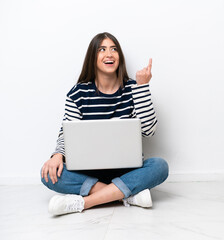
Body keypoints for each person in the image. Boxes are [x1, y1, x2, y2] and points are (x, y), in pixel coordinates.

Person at [40, 32, 169, 216]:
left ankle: (85, 202)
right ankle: (126, 195)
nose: (109, 54)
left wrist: (142, 88)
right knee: (47, 173)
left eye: (114, 49)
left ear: (119, 57)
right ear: (93, 58)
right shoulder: (78, 93)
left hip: (127, 170)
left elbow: (149, 130)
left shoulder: (134, 88)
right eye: (102, 49)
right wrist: (57, 156)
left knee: (160, 166)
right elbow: (66, 133)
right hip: (89, 172)